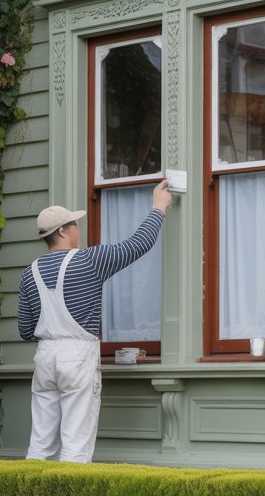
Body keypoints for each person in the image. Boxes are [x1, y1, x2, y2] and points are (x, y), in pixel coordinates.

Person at [17, 181, 172, 463]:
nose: (78, 228)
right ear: (62, 231)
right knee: (76, 446)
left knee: (39, 445)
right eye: (74, 224)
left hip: (45, 358)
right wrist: (158, 207)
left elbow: (26, 330)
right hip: (76, 357)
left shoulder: (30, 274)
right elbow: (138, 245)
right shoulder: (90, 260)